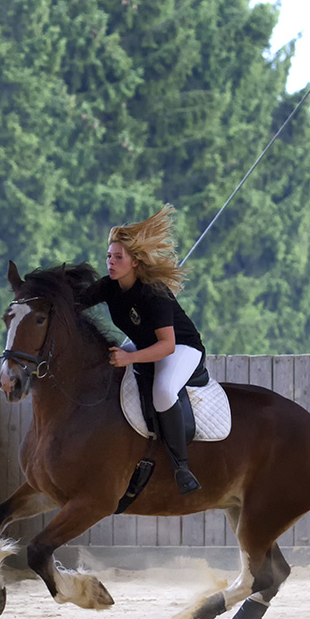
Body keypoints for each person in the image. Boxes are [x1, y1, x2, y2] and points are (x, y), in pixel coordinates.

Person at [80, 204, 205, 495]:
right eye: (109, 256)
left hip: (181, 349)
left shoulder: (154, 292)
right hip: (147, 345)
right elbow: (75, 303)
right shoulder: (109, 286)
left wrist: (129, 357)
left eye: (118, 257)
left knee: (162, 391)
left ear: (135, 261)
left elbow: (167, 345)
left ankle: (181, 467)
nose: (110, 262)